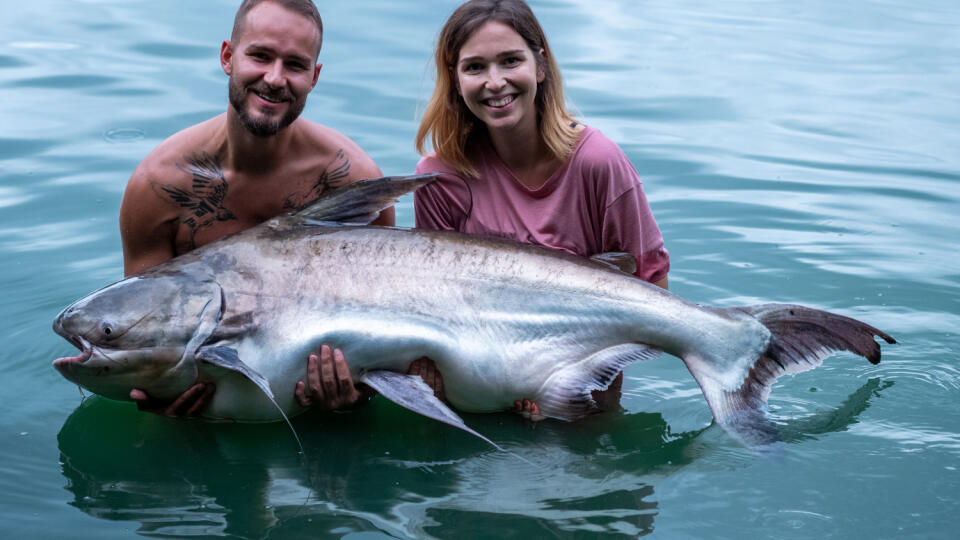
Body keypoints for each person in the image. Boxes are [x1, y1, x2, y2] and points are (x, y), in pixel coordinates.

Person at [119, 0, 386, 416]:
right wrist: (157, 393)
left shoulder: (352, 181)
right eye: (260, 56)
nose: (275, 79)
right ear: (228, 56)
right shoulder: (158, 187)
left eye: (295, 65)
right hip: (201, 425)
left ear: (314, 77)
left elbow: (387, 326)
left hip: (317, 420)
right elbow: (141, 337)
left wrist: (356, 395)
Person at [412, 0, 670, 420]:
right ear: (455, 80)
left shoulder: (597, 163)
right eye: (475, 67)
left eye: (510, 61)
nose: (495, 82)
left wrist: (578, 382)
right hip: (480, 399)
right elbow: (440, 309)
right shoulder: (439, 178)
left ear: (541, 66)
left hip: (586, 401)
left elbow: (653, 288)